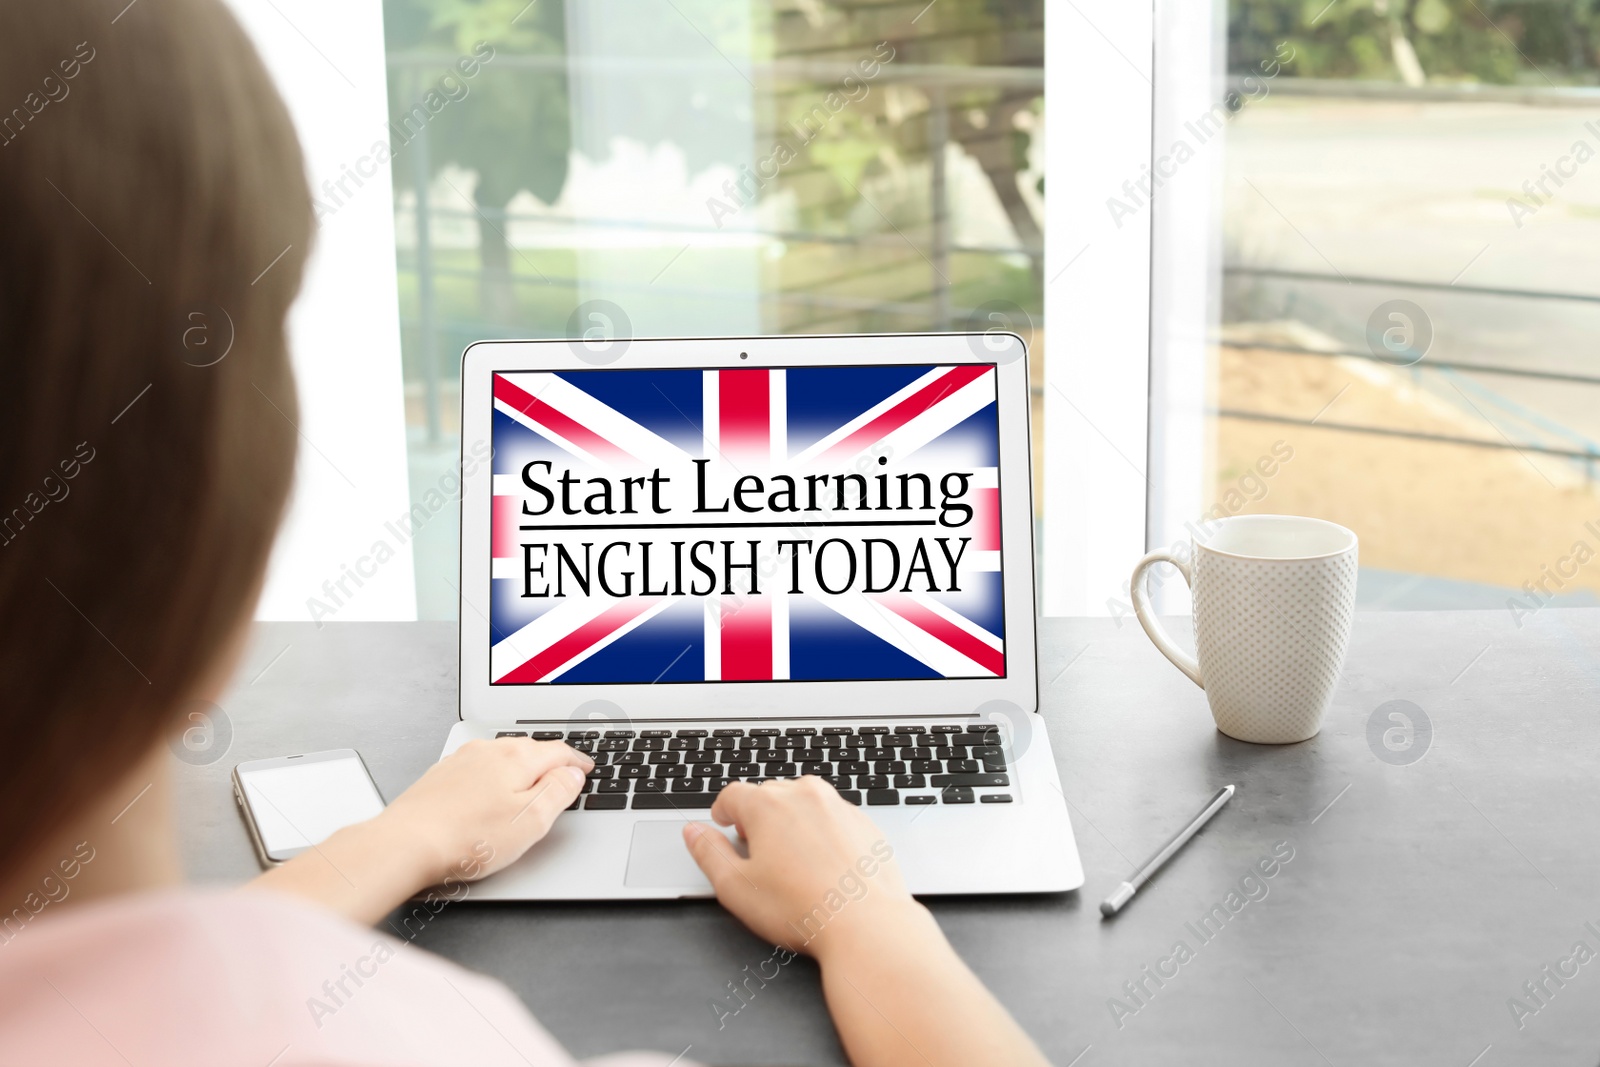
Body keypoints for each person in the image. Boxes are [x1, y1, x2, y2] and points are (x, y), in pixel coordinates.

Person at [0, 3, 1052, 1066]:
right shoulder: (431, 1038)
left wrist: (396, 837)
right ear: (205, 524)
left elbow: (160, 990)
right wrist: (868, 915)